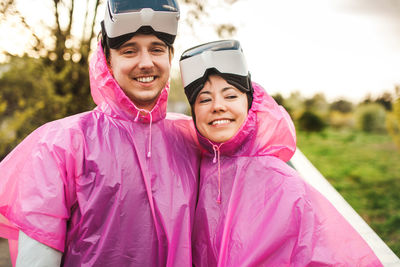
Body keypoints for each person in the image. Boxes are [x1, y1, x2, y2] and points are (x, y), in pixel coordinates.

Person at [0, 0, 200, 266]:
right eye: (129, 51)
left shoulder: (191, 138)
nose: (146, 62)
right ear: (107, 59)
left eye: (156, 49)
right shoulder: (62, 145)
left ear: (170, 57)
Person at [179, 40, 383, 266]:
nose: (217, 106)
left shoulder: (284, 184)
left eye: (230, 96)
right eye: (204, 99)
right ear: (194, 112)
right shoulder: (191, 173)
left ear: (249, 104)